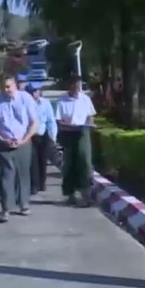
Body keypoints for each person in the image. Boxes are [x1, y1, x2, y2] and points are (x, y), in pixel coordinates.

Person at [0, 74, 38, 223]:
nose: (6, 89)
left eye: (8, 86)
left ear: (15, 85)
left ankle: (23, 203)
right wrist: (2, 139)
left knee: (23, 174)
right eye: (3, 87)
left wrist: (24, 139)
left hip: (23, 142)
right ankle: (6, 208)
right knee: (5, 176)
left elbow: (34, 122)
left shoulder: (25, 98)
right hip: (4, 144)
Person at [55, 74, 97, 207]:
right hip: (68, 133)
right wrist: (69, 127)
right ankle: (70, 194)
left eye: (78, 84)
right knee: (69, 164)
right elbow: (59, 121)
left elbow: (90, 116)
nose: (76, 87)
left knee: (85, 162)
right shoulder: (62, 101)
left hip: (83, 133)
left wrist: (89, 124)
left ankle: (86, 195)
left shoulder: (85, 99)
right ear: (69, 85)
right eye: (73, 84)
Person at [26, 83, 57, 194]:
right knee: (33, 161)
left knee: (43, 160)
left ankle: (42, 183)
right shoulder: (26, 104)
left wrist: (53, 136)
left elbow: (51, 120)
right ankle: (34, 185)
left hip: (43, 135)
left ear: (39, 91)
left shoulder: (45, 103)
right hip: (30, 136)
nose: (34, 93)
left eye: (36, 91)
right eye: (32, 91)